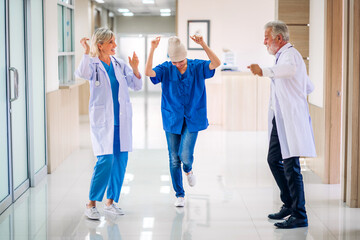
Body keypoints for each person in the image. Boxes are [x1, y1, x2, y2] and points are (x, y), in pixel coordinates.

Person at [248, 20, 316, 229]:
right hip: (281, 118)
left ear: (279, 38)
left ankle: (299, 214)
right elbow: (308, 86)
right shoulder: (282, 56)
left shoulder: (290, 55)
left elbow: (287, 70)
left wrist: (264, 71)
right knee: (273, 159)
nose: (264, 42)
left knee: (291, 166)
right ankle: (288, 203)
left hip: (291, 119)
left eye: (267, 38)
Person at [145, 36, 221, 207]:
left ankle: (188, 169)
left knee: (185, 154)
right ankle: (180, 194)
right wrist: (152, 49)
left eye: (180, 61)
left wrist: (202, 44)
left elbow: (216, 63)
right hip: (172, 117)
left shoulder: (197, 66)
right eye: (174, 62)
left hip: (193, 116)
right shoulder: (166, 68)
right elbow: (149, 73)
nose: (177, 64)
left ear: (185, 56)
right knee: (173, 158)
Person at [75, 27, 142, 220]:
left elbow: (136, 86)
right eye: (111, 42)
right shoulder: (93, 64)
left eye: (114, 42)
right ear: (100, 45)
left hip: (121, 121)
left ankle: (111, 202)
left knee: (120, 161)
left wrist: (136, 67)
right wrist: (86, 52)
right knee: (106, 160)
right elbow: (82, 72)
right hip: (103, 121)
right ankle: (91, 204)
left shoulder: (119, 64)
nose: (115, 45)